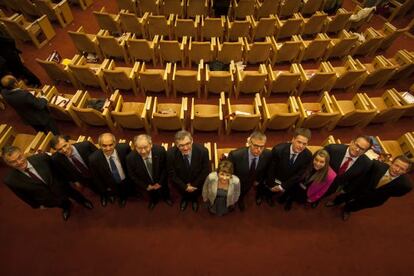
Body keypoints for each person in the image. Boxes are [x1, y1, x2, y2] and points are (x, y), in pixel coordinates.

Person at [2, 146, 93, 221]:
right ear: (8, 164)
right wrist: (37, 205)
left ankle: (83, 201)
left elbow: (59, 168)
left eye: (19, 157)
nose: (19, 162)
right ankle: (66, 207)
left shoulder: (41, 158)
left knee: (75, 194)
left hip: (63, 187)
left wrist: (71, 180)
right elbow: (23, 195)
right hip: (48, 199)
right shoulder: (10, 180)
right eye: (13, 162)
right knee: (61, 204)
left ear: (22, 153)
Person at [341, 155, 412, 221]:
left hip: (375, 199)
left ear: (406, 171)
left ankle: (347, 209)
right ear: (391, 163)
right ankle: (336, 201)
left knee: (358, 205)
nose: (397, 170)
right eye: (396, 165)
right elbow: (363, 175)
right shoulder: (376, 165)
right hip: (360, 188)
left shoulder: (406, 185)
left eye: (402, 169)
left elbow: (397, 194)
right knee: (346, 196)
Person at [266, 128, 313, 208]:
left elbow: (299, 174)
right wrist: (271, 185)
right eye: (299, 142)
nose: (301, 146)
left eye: (304, 144)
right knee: (269, 193)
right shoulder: (278, 150)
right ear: (293, 139)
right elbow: (271, 169)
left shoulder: (308, 155)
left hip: (290, 182)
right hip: (275, 178)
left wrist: (283, 186)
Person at [228, 131, 272, 211]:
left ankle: (241, 199)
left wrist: (258, 180)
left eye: (262, 147)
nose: (259, 150)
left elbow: (265, 169)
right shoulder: (235, 155)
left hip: (252, 182)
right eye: (256, 146)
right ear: (249, 143)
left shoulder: (268, 154)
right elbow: (229, 171)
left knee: (243, 193)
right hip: (236, 182)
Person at [167, 130, 210, 212]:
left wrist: (193, 185)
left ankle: (194, 200)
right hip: (181, 184)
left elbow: (205, 171)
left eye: (188, 144)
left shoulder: (203, 151)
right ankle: (185, 199)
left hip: (196, 183)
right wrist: (184, 186)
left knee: (195, 194)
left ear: (192, 141)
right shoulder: (170, 153)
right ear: (176, 145)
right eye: (181, 145)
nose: (186, 148)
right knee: (184, 194)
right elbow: (171, 173)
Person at [126, 134, 172, 210]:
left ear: (151, 145)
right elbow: (132, 175)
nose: (143, 151)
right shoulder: (130, 158)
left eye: (145, 147)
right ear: (135, 147)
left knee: (165, 190)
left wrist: (160, 182)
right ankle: (154, 201)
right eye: (139, 148)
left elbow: (165, 168)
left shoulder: (160, 151)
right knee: (152, 194)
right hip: (147, 184)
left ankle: (166, 198)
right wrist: (145, 186)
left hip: (161, 181)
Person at [324, 135, 372, 207]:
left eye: (362, 149)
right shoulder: (332, 149)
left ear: (366, 151)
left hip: (334, 186)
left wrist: (345, 190)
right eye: (357, 145)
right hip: (320, 178)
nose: (357, 150)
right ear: (352, 142)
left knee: (324, 194)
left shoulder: (366, 164)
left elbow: (357, 180)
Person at [88, 133, 132, 208]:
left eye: (111, 145)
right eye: (104, 145)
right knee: (118, 192)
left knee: (128, 188)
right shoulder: (93, 159)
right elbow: (96, 177)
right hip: (111, 183)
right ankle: (121, 197)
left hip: (126, 178)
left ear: (115, 143)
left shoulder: (124, 148)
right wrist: (104, 188)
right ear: (99, 145)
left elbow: (131, 161)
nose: (108, 148)